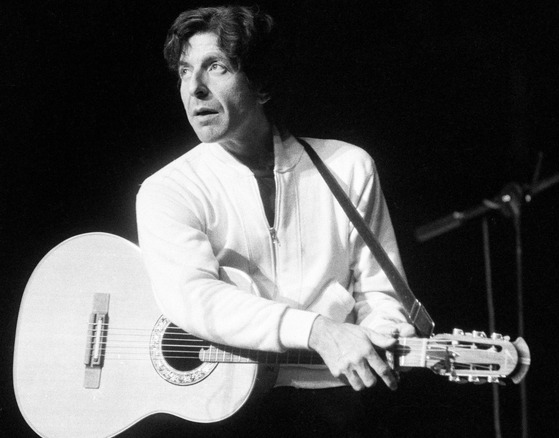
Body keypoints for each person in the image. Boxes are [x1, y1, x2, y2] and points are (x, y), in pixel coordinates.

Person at [135, 5, 415, 436]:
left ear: (261, 84)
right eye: (185, 71)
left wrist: (378, 338)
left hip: (338, 403)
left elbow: (380, 292)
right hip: (226, 412)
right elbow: (194, 298)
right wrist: (319, 331)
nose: (195, 88)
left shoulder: (349, 166)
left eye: (216, 67)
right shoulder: (167, 190)